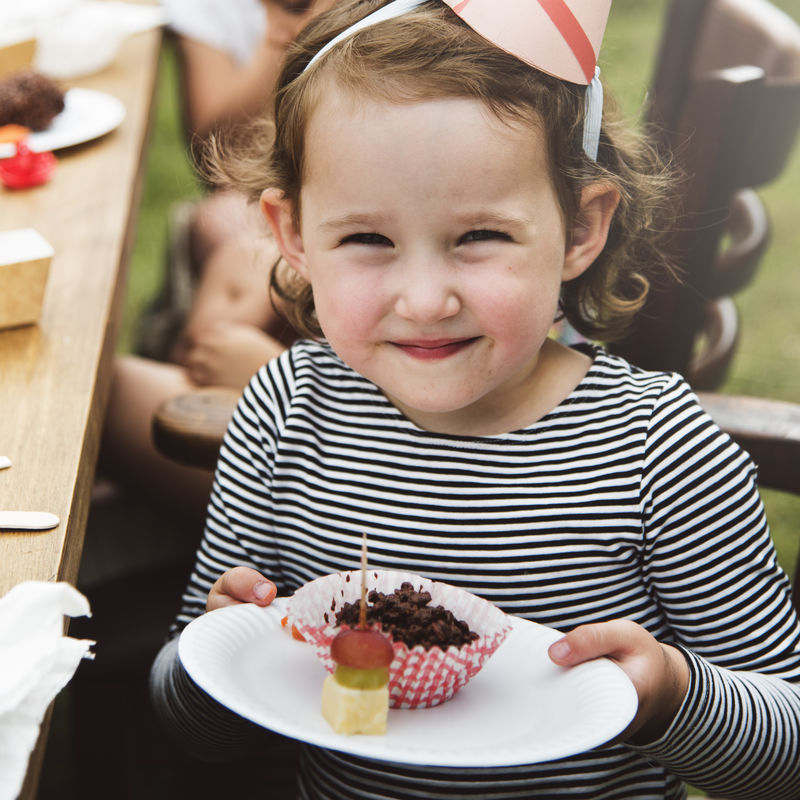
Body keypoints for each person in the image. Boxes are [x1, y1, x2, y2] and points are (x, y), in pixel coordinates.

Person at [150, 1, 800, 798]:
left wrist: (672, 695)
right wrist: (216, 651)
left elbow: (784, 756)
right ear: (293, 234)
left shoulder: (660, 449)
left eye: (478, 236)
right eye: (367, 239)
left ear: (581, 227)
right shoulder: (285, 415)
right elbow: (190, 724)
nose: (425, 301)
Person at [95, 0, 337, 531]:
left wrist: (269, 379)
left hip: (345, 485)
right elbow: (218, 147)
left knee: (98, 400)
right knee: (100, 386)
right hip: (292, 396)